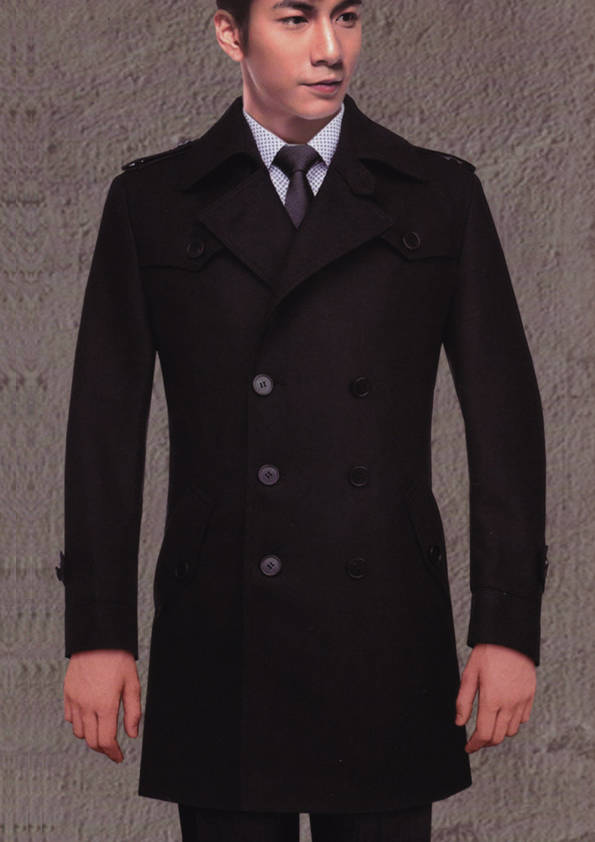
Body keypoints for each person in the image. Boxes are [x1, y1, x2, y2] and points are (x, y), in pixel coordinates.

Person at [57, 1, 549, 840]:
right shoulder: (154, 200)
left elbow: (503, 418)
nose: (329, 48)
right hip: (220, 622)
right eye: (294, 19)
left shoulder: (437, 193)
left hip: (384, 622)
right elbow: (104, 428)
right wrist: (98, 633)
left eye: (345, 16)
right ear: (230, 33)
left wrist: (506, 627)